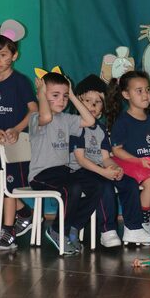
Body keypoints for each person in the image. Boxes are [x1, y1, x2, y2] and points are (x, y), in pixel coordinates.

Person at [69, 74, 150, 247]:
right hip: (79, 171)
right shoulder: (75, 126)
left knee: (128, 183)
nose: (93, 105)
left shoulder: (101, 129)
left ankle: (133, 228)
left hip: (99, 169)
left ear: (103, 107)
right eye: (87, 101)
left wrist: (115, 168)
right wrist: (104, 172)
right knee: (104, 184)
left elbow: (106, 158)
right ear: (78, 103)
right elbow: (81, 160)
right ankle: (107, 230)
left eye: (97, 102)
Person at [29, 68, 101, 255]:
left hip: (63, 172)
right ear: (42, 94)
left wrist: (73, 95)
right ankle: (57, 230)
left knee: (97, 186)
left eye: (65, 96)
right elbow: (46, 117)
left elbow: (90, 121)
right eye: (55, 95)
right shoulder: (36, 118)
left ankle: (73, 227)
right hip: (41, 175)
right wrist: (41, 94)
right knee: (73, 188)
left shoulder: (67, 119)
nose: (62, 100)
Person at [108, 70, 150, 234]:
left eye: (147, 89)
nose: (145, 95)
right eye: (139, 91)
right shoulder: (122, 121)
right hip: (130, 162)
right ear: (126, 94)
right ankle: (143, 219)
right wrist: (138, 161)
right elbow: (116, 150)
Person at [0, 32, 37, 251]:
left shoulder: (20, 81)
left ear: (14, 56)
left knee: (9, 187)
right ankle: (24, 213)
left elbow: (34, 111)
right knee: (2, 187)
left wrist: (16, 129)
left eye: (3, 54)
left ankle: (8, 230)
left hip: (16, 145)